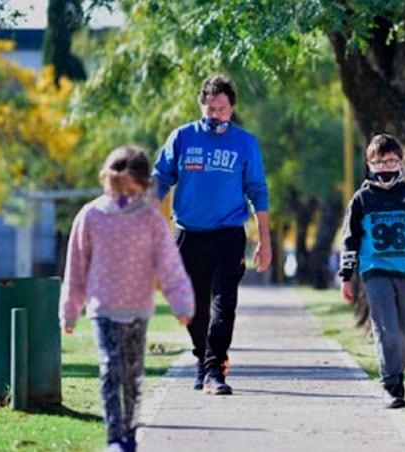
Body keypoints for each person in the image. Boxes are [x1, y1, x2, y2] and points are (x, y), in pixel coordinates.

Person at [59, 145, 195, 452]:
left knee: (133, 373)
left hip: (138, 308)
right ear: (107, 180)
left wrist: (182, 303)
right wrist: (69, 311)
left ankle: (130, 432)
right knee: (110, 369)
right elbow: (76, 265)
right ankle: (114, 437)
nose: (124, 197)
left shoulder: (150, 219)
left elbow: (169, 264)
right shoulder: (91, 216)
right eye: (118, 188)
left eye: (132, 190)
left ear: (145, 185)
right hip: (103, 308)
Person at [153, 73, 271, 395]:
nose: (216, 114)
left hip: (229, 234)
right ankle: (202, 359)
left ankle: (215, 369)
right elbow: (160, 178)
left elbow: (257, 190)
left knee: (224, 303)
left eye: (222, 108)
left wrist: (265, 239)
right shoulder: (182, 137)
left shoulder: (245, 142)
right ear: (201, 105)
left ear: (232, 109)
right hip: (189, 234)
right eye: (210, 108)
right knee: (193, 307)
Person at [338, 133, 405, 409]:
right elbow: (350, 239)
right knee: (386, 330)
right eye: (379, 162)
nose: (386, 167)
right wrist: (346, 277)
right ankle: (392, 386)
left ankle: (396, 371)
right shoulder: (361, 199)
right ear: (369, 164)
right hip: (375, 271)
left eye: (391, 161)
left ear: (401, 162)